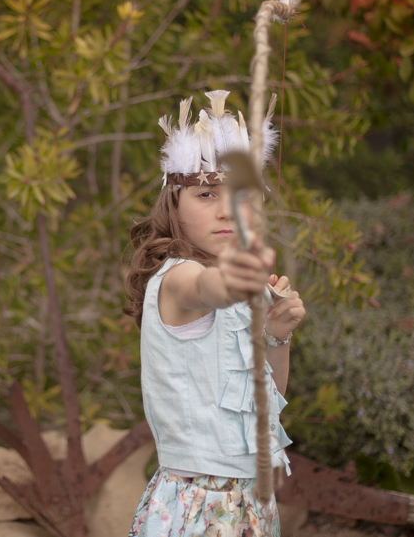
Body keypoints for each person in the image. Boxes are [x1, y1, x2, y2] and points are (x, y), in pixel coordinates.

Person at [123, 91, 307, 537]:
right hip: (196, 507)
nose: (226, 210)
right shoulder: (178, 277)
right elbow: (203, 288)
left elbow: (264, 406)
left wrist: (277, 337)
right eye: (206, 194)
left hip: (250, 503)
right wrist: (229, 283)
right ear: (174, 204)